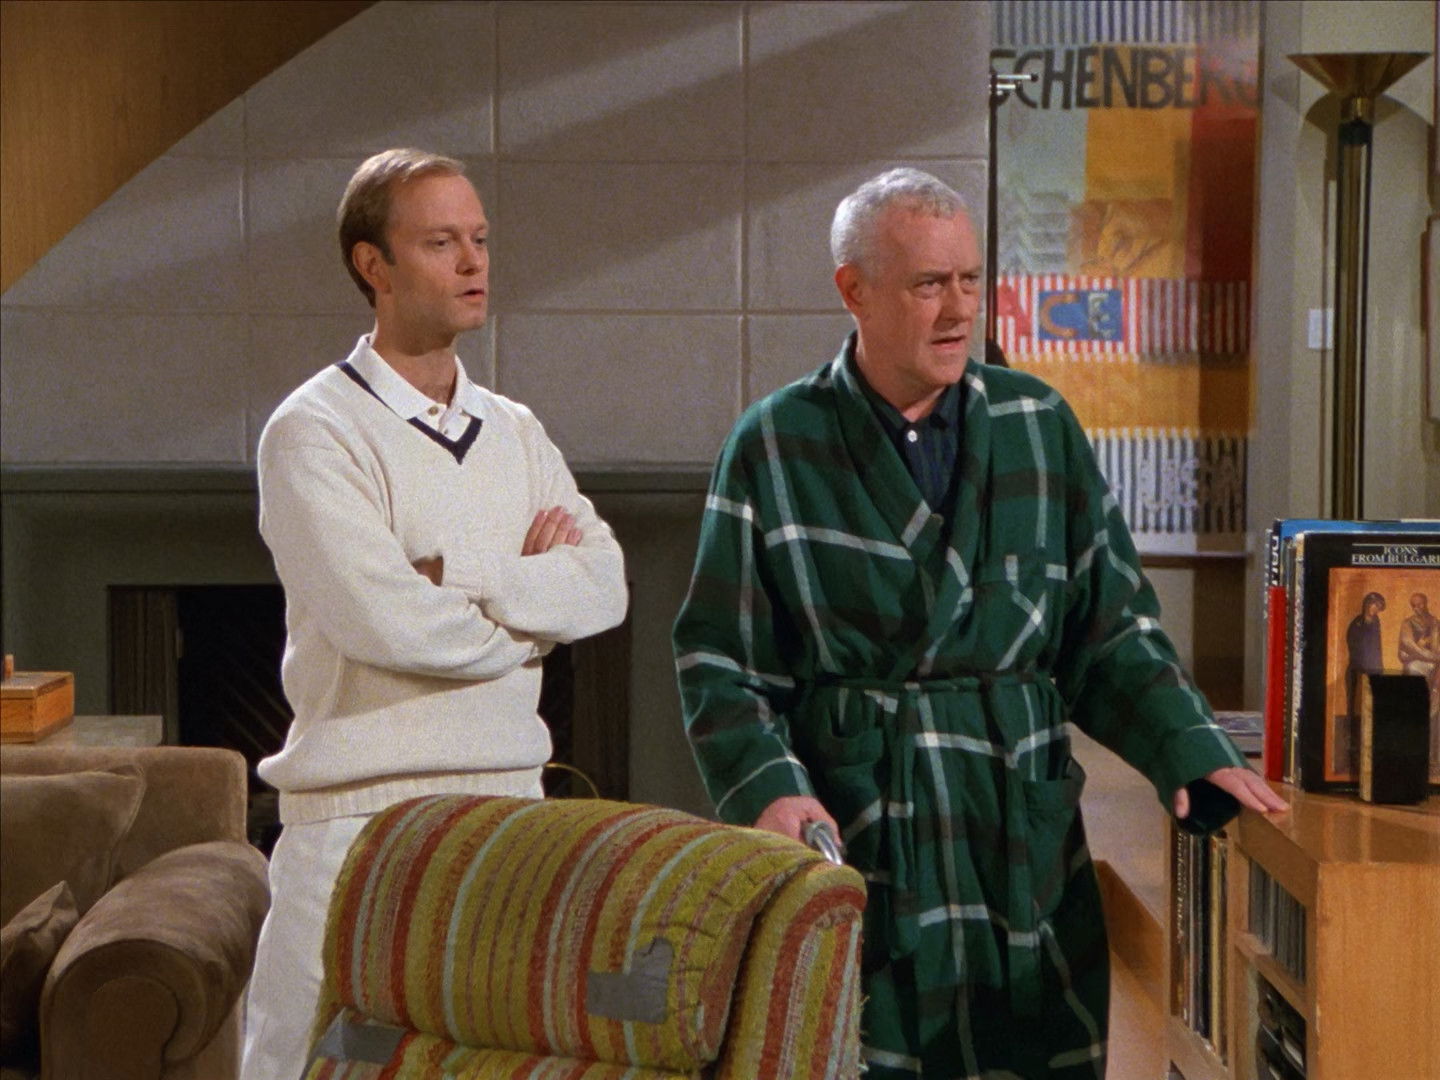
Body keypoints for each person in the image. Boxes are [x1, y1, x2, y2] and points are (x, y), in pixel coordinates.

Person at [672, 168, 1283, 1079]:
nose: (959, 309)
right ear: (854, 291)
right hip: (867, 825)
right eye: (929, 284)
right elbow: (721, 659)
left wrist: (1186, 747)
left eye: (969, 279)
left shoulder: (1038, 425)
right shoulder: (773, 444)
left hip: (1019, 831)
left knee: (1034, 1051)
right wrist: (770, 790)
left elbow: (1113, 629)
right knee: (865, 1054)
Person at [241, 148, 628, 1079]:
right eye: (441, 242)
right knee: (308, 1067)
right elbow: (390, 626)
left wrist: (457, 572)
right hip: (359, 825)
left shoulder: (516, 430)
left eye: (480, 240)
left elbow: (606, 585)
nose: (473, 263)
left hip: (509, 815)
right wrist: (533, 622)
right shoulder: (313, 432)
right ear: (373, 265)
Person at [1397, 591, 1440, 772]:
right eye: (1413, 605)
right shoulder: (1407, 624)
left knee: (1434, 714)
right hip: (1416, 669)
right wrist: (1427, 653)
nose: (1417, 608)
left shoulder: (1435, 623)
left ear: (1426, 603)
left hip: (1436, 672)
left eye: (1420, 604)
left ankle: (1434, 760)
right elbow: (1405, 650)